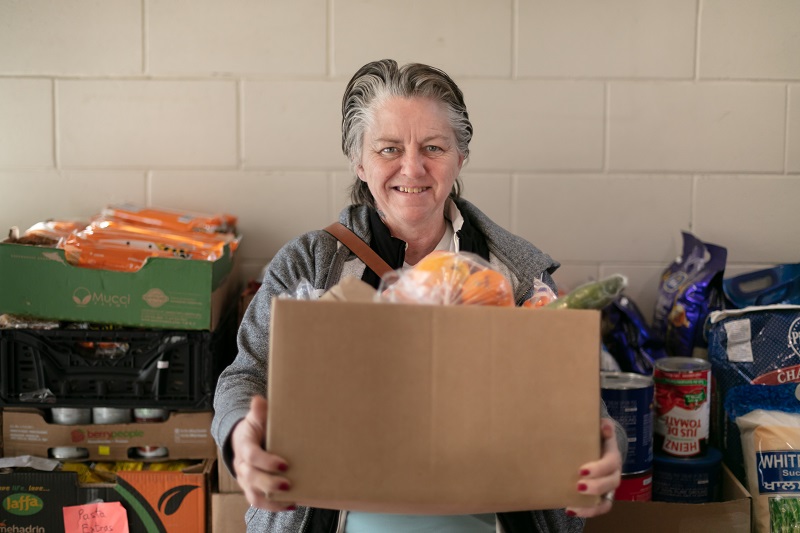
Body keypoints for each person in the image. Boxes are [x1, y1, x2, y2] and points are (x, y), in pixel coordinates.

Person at [212, 58, 625, 533]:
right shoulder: (309, 266)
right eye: (389, 148)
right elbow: (245, 377)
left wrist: (604, 449)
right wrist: (244, 435)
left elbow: (580, 410)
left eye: (434, 146)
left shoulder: (519, 275)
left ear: (460, 157)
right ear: (359, 161)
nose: (413, 167)